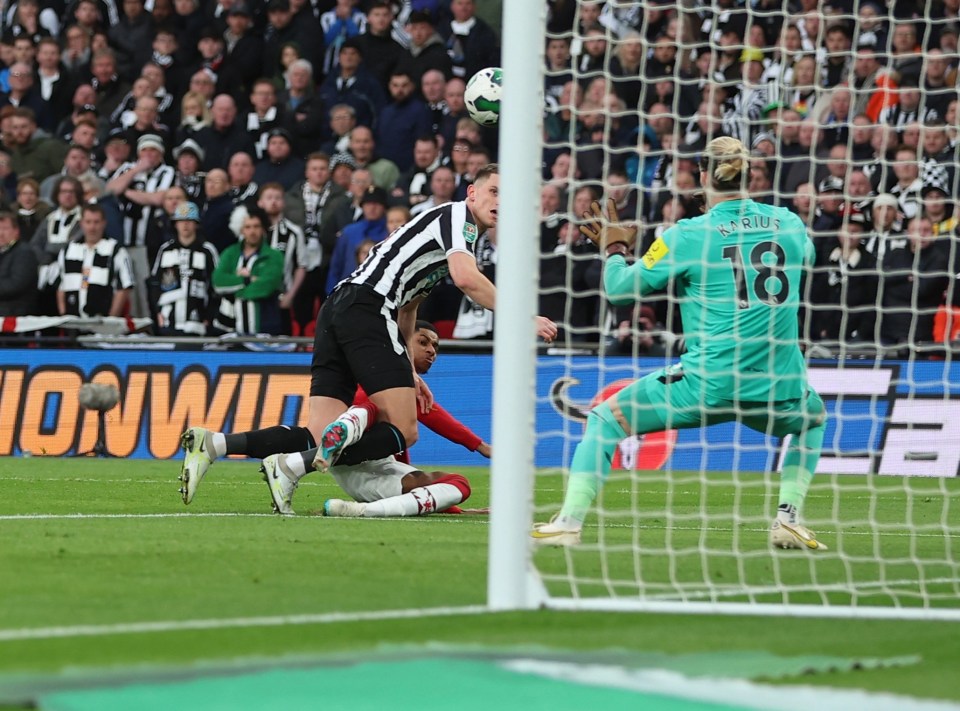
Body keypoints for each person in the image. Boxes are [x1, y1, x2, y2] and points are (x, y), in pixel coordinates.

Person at [181, 164, 557, 514]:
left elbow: (409, 308)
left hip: (338, 308)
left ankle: (214, 444)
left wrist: (408, 371)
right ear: (472, 193)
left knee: (316, 432)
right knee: (405, 429)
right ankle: (291, 467)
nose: (501, 202)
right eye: (495, 191)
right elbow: (465, 278)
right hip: (368, 307)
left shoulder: (450, 233)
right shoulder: (458, 219)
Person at [531, 137, 828, 551]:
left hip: (708, 383)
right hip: (777, 385)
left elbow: (619, 291)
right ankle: (788, 518)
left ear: (703, 177)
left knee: (604, 419)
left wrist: (615, 249)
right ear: (751, 176)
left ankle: (568, 521)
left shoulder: (686, 234)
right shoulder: (789, 223)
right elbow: (808, 260)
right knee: (813, 418)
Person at [180, 320, 486, 518]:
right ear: (405, 342)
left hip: (370, 462)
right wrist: (482, 446)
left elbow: (421, 423)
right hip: (357, 443)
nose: (432, 350)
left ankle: (230, 446)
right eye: (424, 342)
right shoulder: (388, 372)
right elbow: (436, 418)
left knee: (319, 434)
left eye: (436, 346)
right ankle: (300, 454)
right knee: (372, 413)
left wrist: (450, 506)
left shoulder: (397, 382)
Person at [148, 201, 220, 336]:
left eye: (190, 220)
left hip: (198, 321)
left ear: (196, 224)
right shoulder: (165, 249)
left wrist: (209, 317)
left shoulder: (207, 250)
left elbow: (216, 287)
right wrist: (157, 312)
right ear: (175, 224)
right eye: (181, 221)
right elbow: (154, 283)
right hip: (168, 320)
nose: (185, 224)